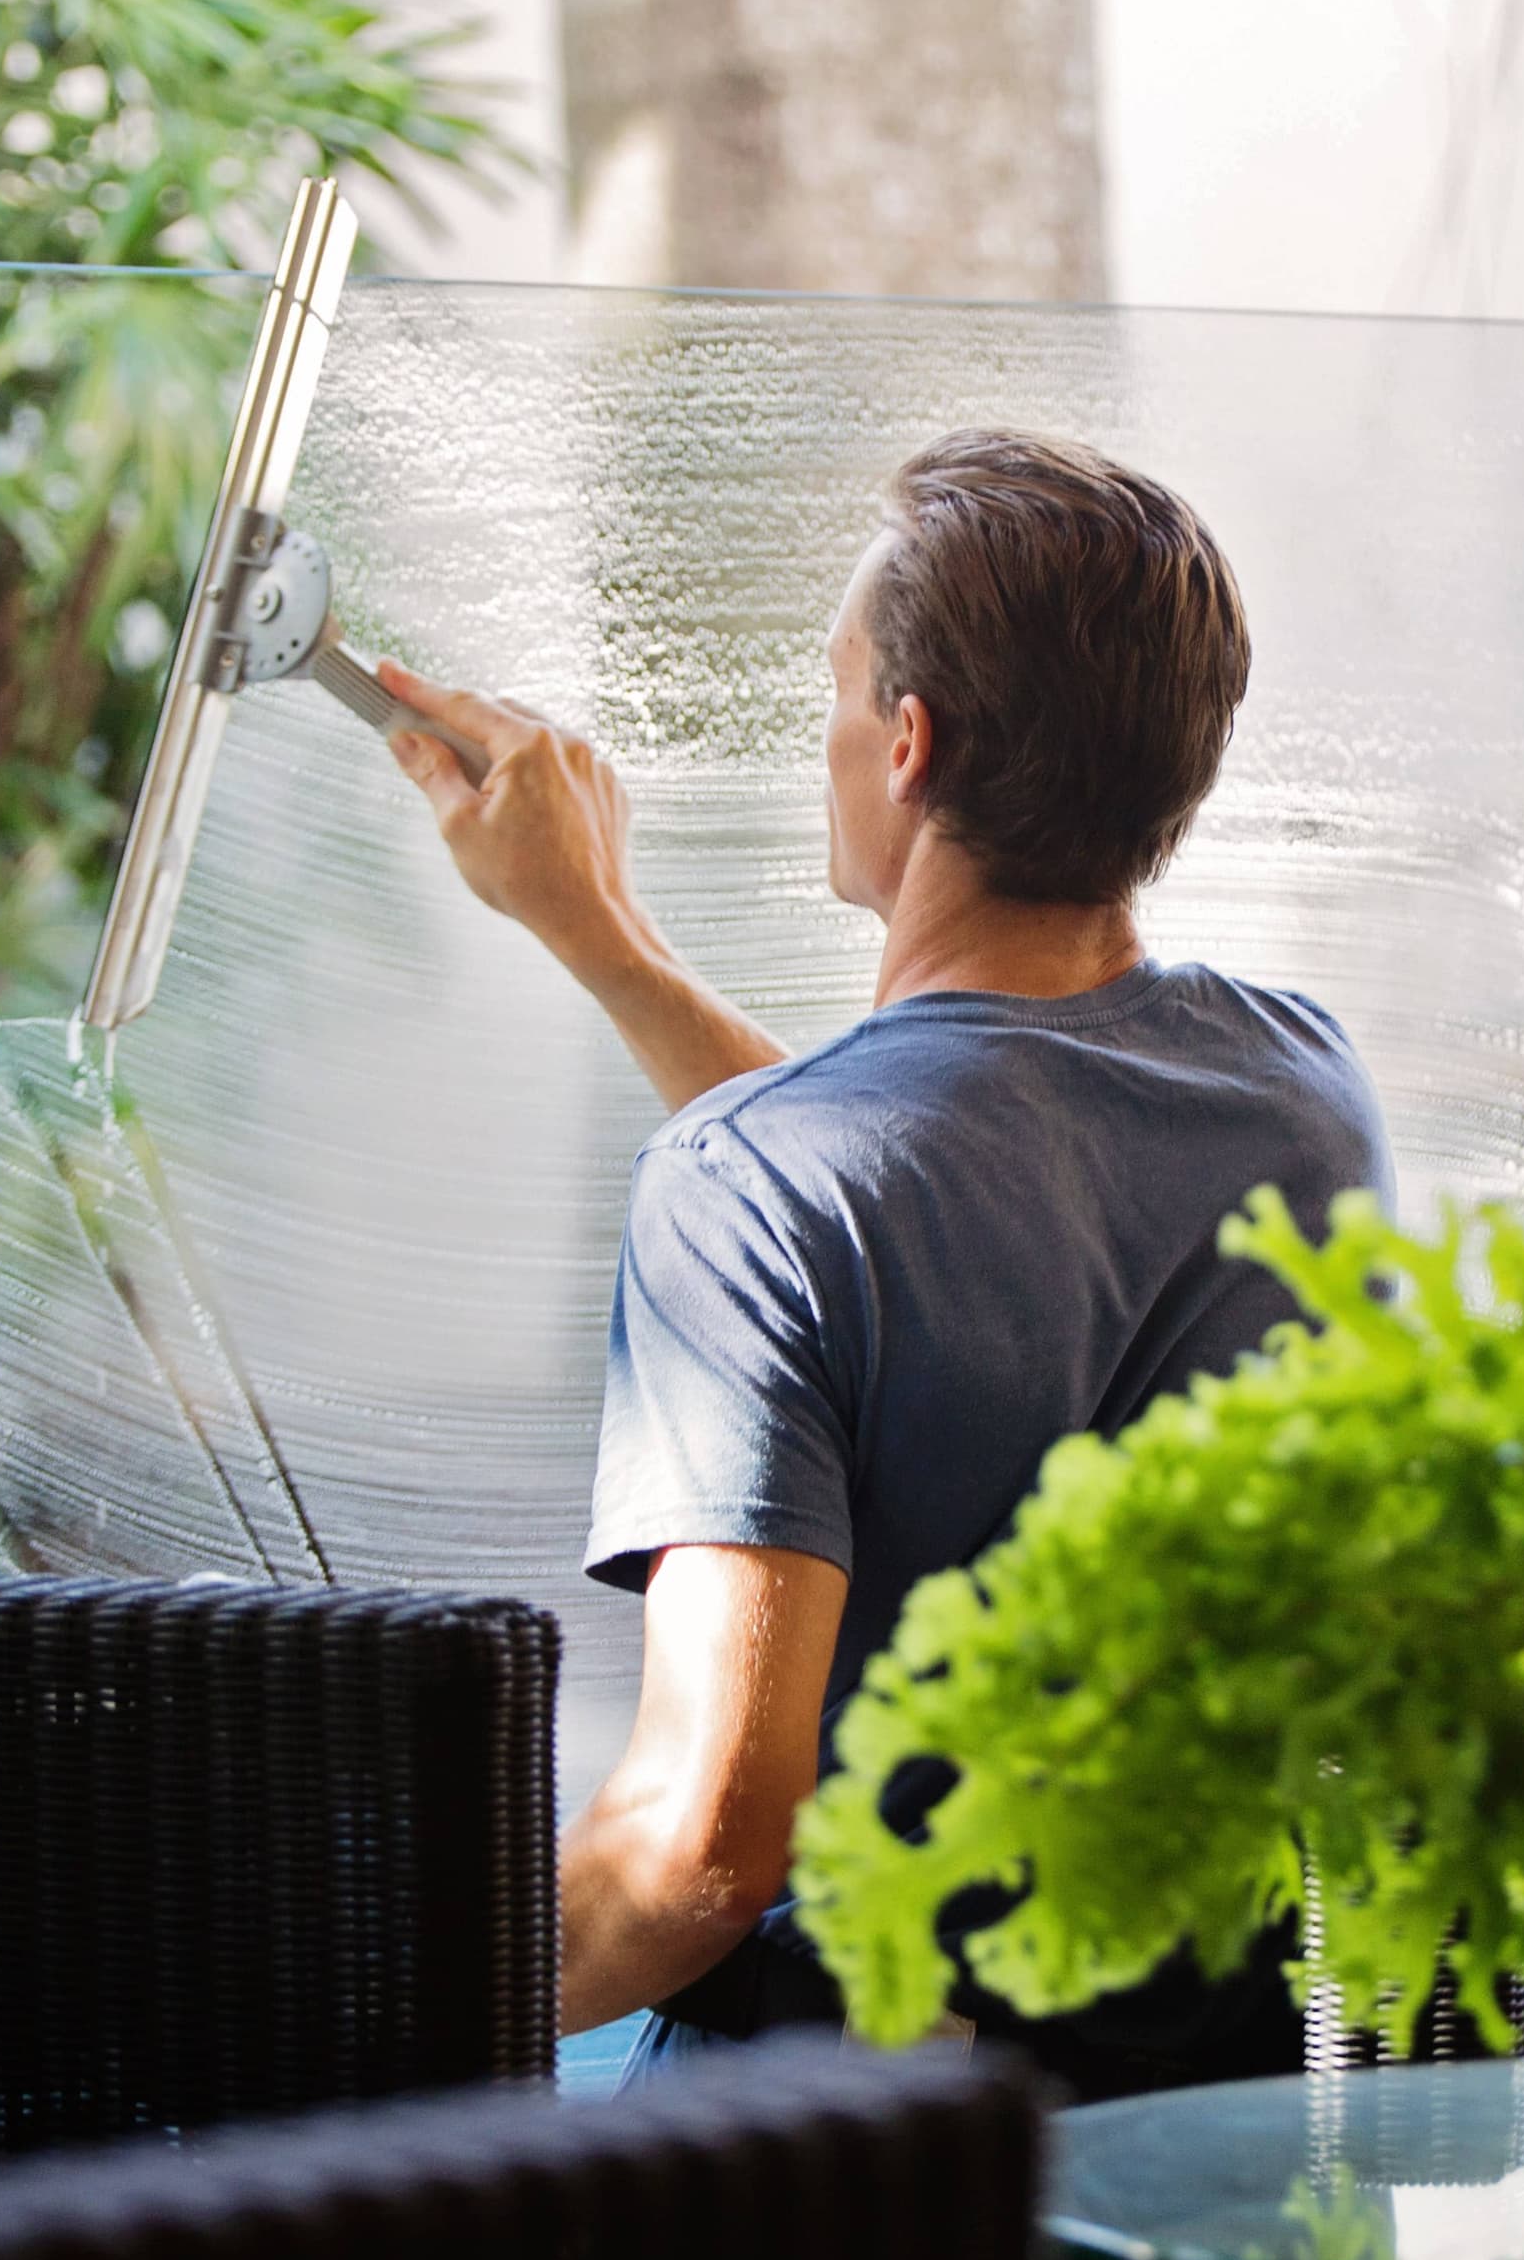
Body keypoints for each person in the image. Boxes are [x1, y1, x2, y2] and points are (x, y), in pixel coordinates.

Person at [378, 429, 1391, 2096]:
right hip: (1208, 2120)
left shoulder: (757, 1189)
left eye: (840, 692)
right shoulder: (1303, 1095)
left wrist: (327, 1998)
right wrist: (604, 940)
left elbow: (699, 1859)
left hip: (855, 2167)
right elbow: (945, 1184)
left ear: (907, 747)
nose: (832, 733)